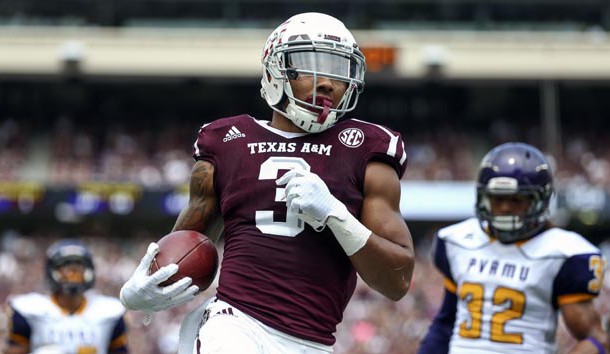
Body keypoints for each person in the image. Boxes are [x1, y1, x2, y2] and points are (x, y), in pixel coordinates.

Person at [119, 11, 415, 354]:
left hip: (313, 341)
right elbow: (188, 246)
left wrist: (337, 215)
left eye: (340, 71)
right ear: (276, 68)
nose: (328, 82)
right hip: (234, 323)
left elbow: (397, 281)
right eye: (311, 63)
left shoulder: (366, 148)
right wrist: (140, 292)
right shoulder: (228, 141)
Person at [417, 142, 609, 354]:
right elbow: (446, 324)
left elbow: (596, 339)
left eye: (516, 200)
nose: (505, 208)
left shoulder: (563, 253)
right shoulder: (458, 241)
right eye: (498, 199)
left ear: (540, 201)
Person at [5, 239, 129, 354]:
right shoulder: (29, 310)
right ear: (52, 271)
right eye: (66, 267)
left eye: (79, 266)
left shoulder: (109, 312)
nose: (73, 273)